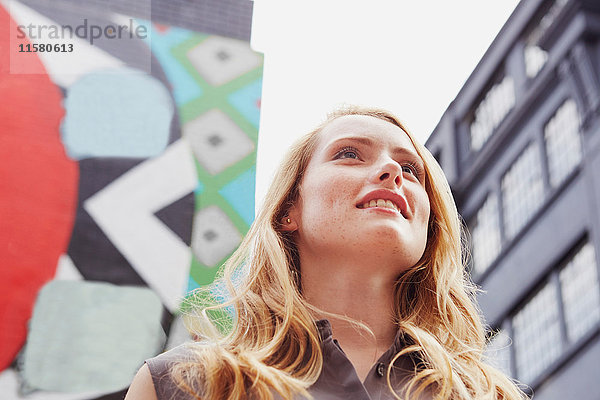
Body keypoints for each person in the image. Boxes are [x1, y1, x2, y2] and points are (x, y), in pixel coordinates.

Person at [125, 106, 527, 400]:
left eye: (411, 169)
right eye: (349, 153)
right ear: (288, 210)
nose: (393, 173)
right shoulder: (183, 383)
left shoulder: (487, 395)